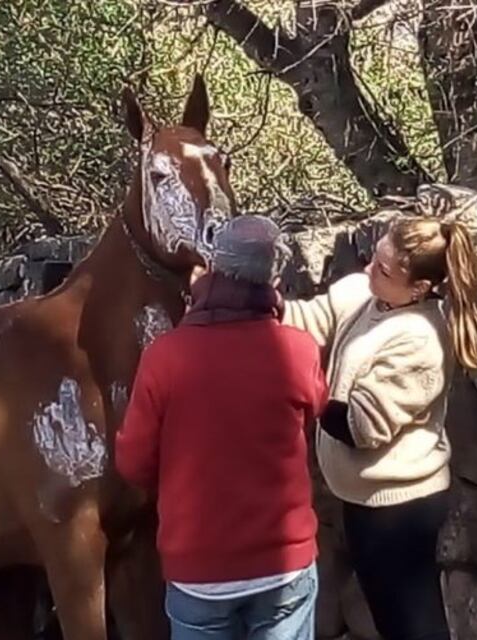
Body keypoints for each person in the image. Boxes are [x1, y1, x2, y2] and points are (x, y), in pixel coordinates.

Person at [115, 214, 328, 640]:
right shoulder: (298, 350)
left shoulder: (165, 357)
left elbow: (133, 462)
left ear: (212, 269)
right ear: (274, 280)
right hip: (282, 566)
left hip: (199, 567)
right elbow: (314, 412)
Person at [281, 218, 477, 640]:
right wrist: (248, 303)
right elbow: (306, 318)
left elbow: (362, 427)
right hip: (363, 500)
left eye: (385, 270)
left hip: (400, 509)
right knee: (389, 616)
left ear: (419, 289)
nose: (369, 272)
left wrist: (306, 388)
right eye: (374, 258)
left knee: (412, 625)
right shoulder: (367, 293)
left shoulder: (419, 339)